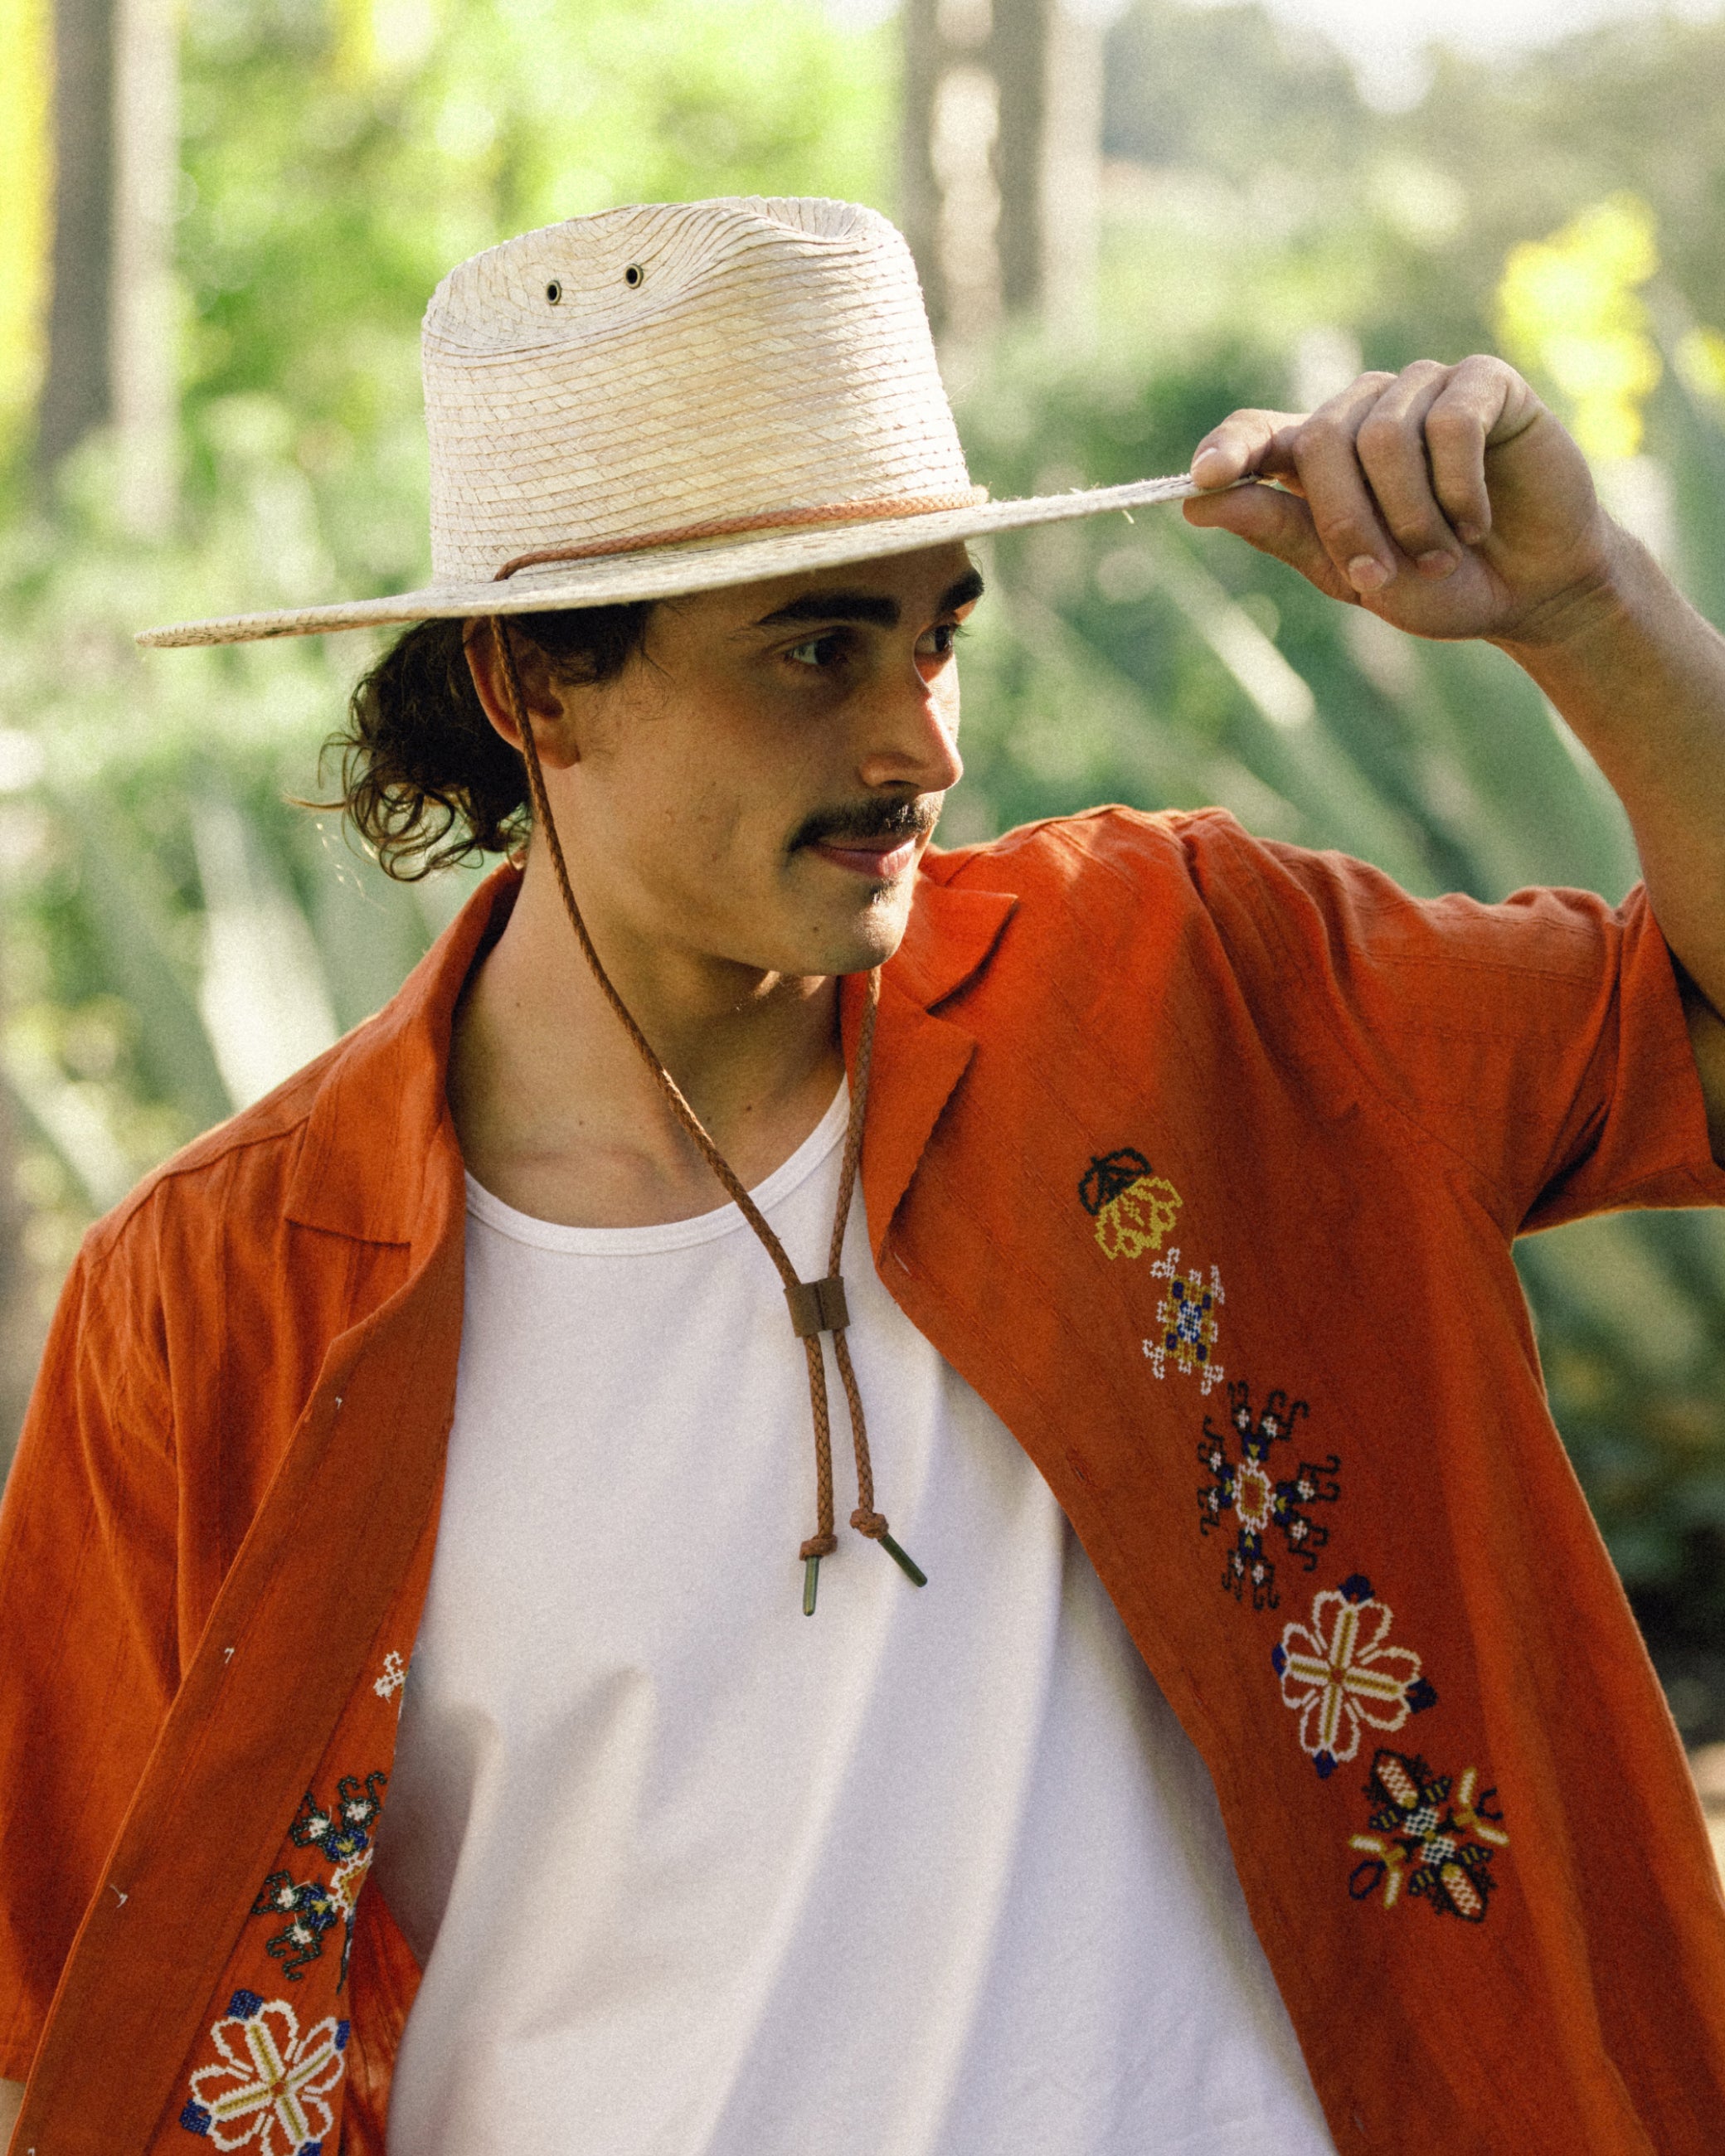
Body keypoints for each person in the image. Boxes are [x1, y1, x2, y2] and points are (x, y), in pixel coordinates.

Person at [1, 195, 1722, 2156]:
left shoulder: (1177, 988)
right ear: (531, 691)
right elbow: (88, 2010)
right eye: (815, 647)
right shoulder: (219, 1294)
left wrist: (1584, 603)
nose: (915, 737)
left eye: (934, 634)